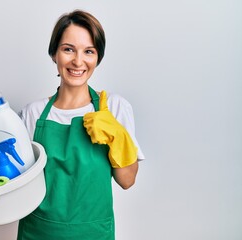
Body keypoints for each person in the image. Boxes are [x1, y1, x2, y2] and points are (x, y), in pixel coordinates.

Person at [17, 9, 145, 240]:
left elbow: (127, 181)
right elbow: (16, 180)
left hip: (93, 233)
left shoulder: (114, 108)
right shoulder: (32, 113)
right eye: (68, 49)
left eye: (88, 51)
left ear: (97, 57)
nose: (78, 61)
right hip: (39, 232)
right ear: (54, 54)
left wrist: (117, 136)